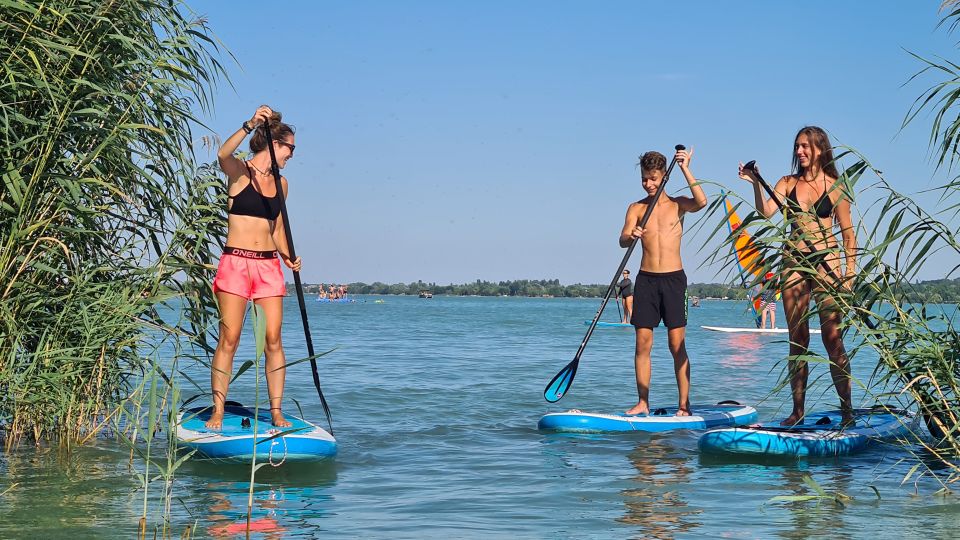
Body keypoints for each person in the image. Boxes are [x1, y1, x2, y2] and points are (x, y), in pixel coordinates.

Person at [739, 126, 857, 426]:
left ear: (820, 149)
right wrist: (755, 183)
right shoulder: (787, 182)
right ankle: (797, 411)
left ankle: (847, 411)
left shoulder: (836, 186)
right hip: (793, 264)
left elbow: (848, 234)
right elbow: (766, 213)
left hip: (826, 266)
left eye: (806, 146)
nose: (800, 152)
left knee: (833, 339)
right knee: (798, 340)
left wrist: (849, 273)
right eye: (797, 147)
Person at [207, 105, 301, 429]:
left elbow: (276, 230)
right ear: (276, 145)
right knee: (229, 339)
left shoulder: (283, 184)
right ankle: (218, 410)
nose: (292, 155)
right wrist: (249, 124)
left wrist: (290, 257)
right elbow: (222, 153)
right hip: (235, 263)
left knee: (273, 339)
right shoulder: (239, 172)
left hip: (268, 268)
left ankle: (276, 411)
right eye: (291, 148)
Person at [621, 148, 707, 416]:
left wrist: (684, 167)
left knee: (676, 344)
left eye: (654, 178)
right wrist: (631, 234)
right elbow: (622, 239)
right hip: (646, 280)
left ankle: (684, 404)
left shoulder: (678, 204)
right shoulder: (636, 208)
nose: (649, 184)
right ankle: (642, 402)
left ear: (663, 178)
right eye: (645, 179)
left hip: (673, 280)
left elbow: (702, 201)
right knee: (642, 344)